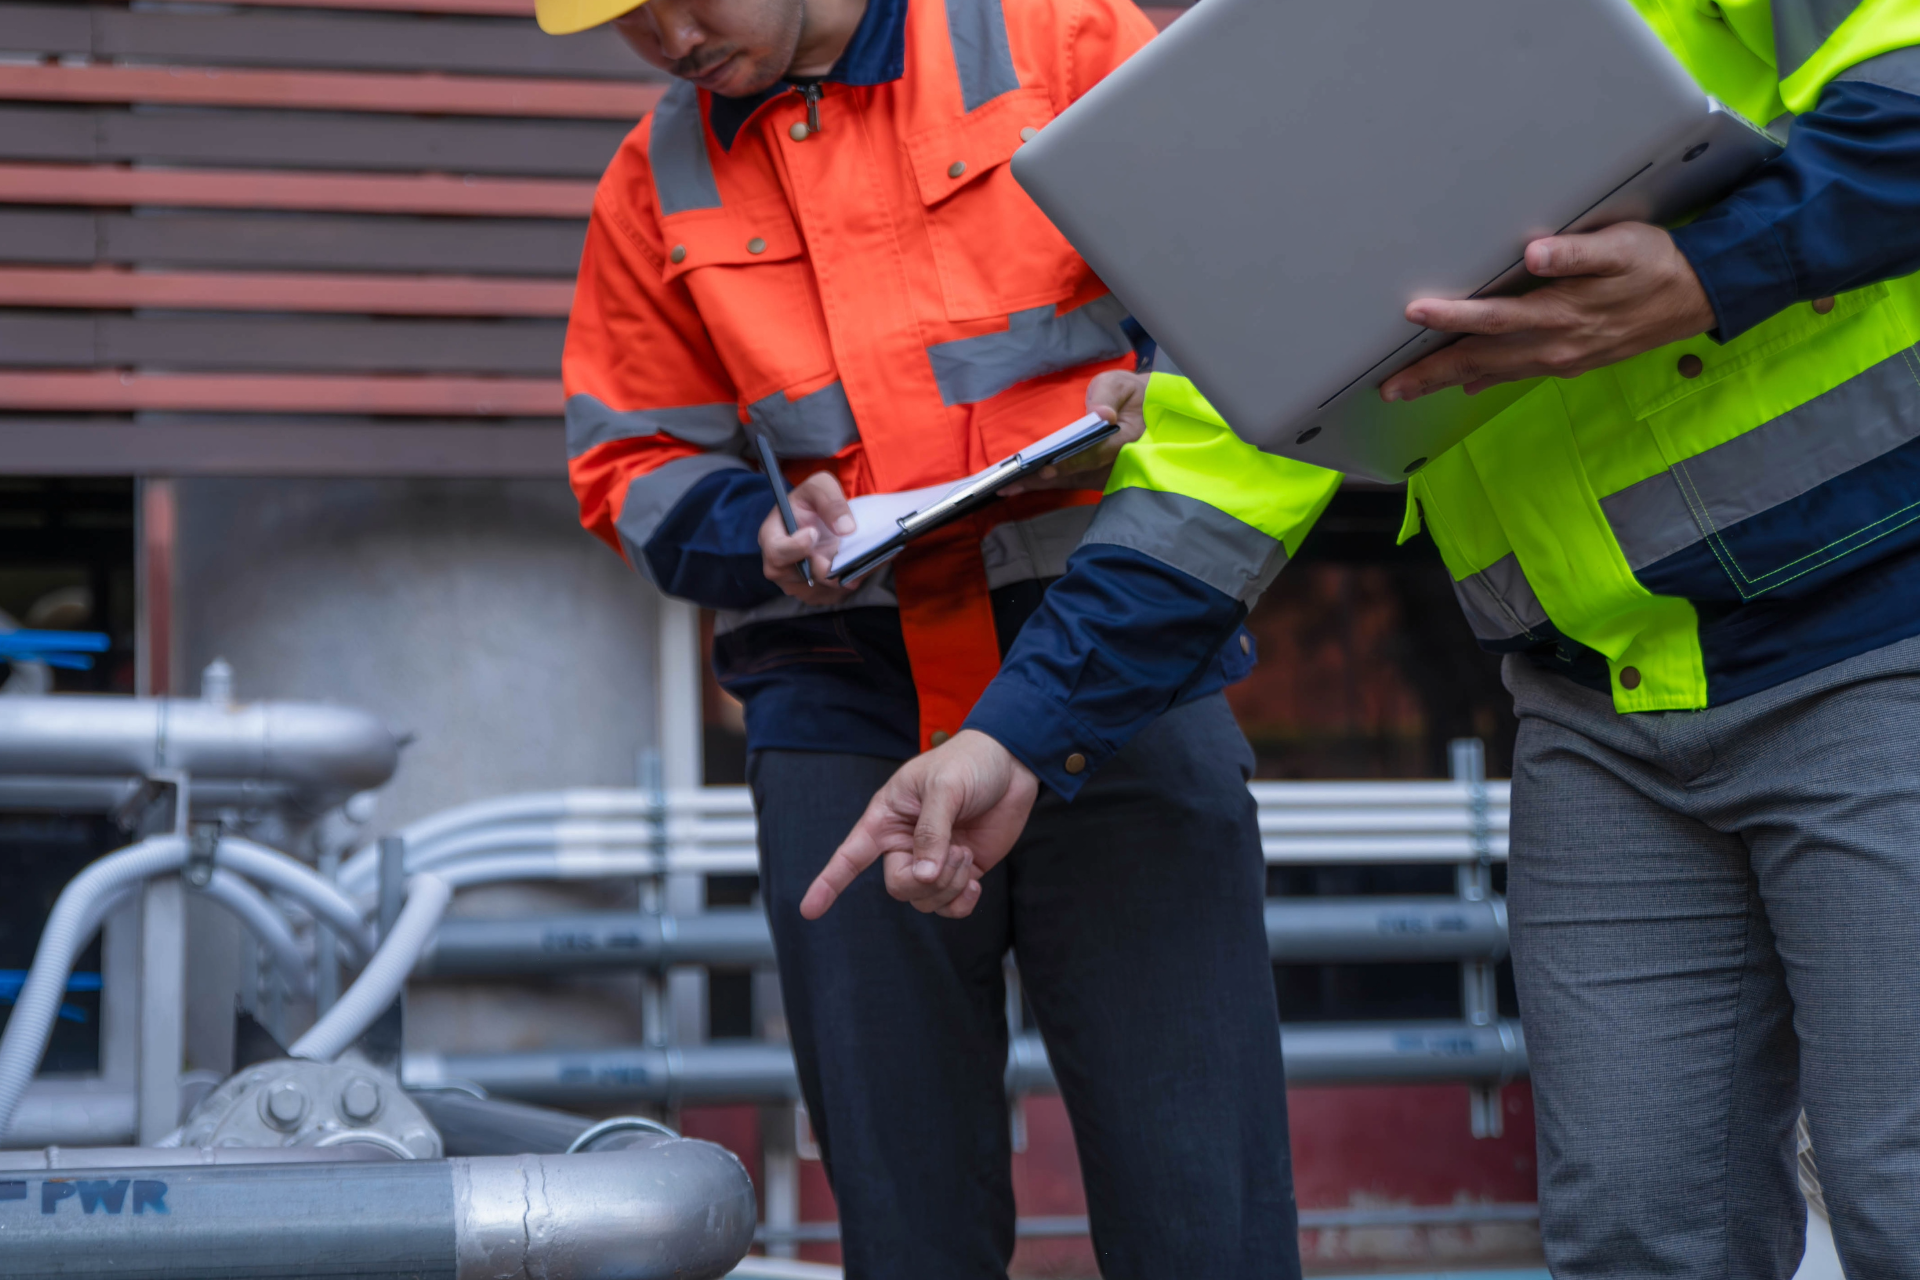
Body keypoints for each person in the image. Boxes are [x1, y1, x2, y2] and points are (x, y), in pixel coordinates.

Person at [809, 3, 1920, 1275]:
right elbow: (1225, 452)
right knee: (1636, 1239)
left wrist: (1717, 266)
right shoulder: (1291, 74)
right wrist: (1011, 736)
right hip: (1594, 714)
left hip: (1877, 635)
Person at [537, 0, 1308, 1274]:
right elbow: (630, 460)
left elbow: (1246, 274)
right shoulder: (651, 179)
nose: (671, 36)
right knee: (907, 1225)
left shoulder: (1058, 38)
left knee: (1202, 1203)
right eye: (628, 20)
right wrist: (761, 530)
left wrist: (1160, 378)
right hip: (844, 706)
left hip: (1106, 667)